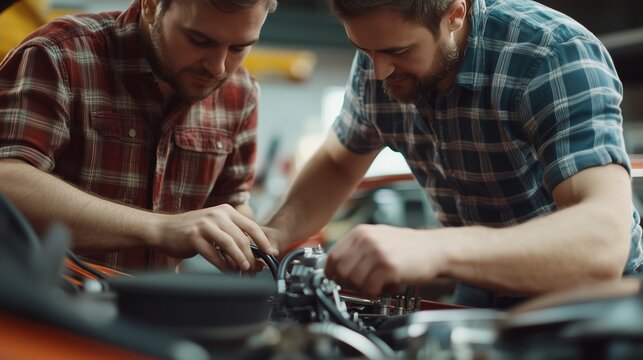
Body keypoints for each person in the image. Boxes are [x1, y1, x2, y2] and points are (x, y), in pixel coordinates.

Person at [265, 0, 643, 308]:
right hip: (480, 287)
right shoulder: (378, 63)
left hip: (593, 293)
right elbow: (336, 163)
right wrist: (273, 234)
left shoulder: (550, 53)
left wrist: (434, 248)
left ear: (454, 14)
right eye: (365, 50)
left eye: (397, 51)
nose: (379, 72)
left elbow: (603, 244)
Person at [0, 0, 279, 273]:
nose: (218, 68)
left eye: (239, 47)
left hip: (154, 312)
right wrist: (161, 228)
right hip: (40, 307)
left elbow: (230, 202)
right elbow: (7, 181)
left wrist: (250, 238)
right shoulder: (58, 55)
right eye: (199, 40)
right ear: (150, 5)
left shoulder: (241, 92)